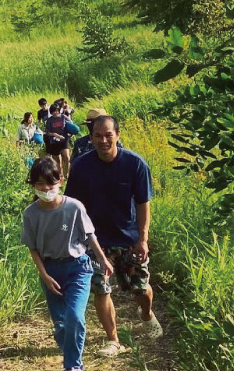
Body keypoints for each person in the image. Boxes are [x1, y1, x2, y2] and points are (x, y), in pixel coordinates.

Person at [64, 115, 163, 356]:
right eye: (97, 136)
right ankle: (113, 340)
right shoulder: (81, 166)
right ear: (91, 138)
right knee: (101, 288)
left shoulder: (135, 164)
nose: (103, 140)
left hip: (129, 238)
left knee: (140, 288)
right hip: (95, 240)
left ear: (117, 135)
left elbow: (143, 203)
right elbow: (73, 205)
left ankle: (146, 314)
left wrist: (143, 239)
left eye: (108, 135)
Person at [21, 157, 114, 371]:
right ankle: (69, 349)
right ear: (33, 185)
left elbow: (89, 236)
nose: (46, 189)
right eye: (40, 184)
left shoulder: (74, 207)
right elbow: (33, 248)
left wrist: (103, 259)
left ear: (60, 181)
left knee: (75, 317)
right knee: (62, 325)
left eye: (50, 183)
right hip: (51, 271)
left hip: (77, 268)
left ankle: (73, 368)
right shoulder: (31, 214)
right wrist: (44, 276)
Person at [43, 102, 79, 177]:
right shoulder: (49, 120)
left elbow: (71, 125)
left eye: (57, 110)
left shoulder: (63, 117)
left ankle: (67, 175)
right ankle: (60, 175)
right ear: (51, 112)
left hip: (64, 139)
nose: (55, 112)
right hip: (54, 141)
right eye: (54, 111)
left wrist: (70, 134)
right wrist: (54, 134)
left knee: (67, 157)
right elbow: (47, 132)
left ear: (59, 110)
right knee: (57, 160)